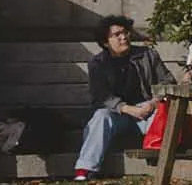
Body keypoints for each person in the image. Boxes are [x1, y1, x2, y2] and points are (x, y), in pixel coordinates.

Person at [75, 15, 176, 181]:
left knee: (163, 114)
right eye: (117, 35)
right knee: (101, 117)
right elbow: (100, 96)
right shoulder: (97, 63)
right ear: (106, 42)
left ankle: (158, 160)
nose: (124, 37)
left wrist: (153, 103)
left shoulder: (148, 55)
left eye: (125, 33)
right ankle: (85, 169)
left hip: (146, 110)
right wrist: (128, 109)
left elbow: (168, 81)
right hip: (118, 114)